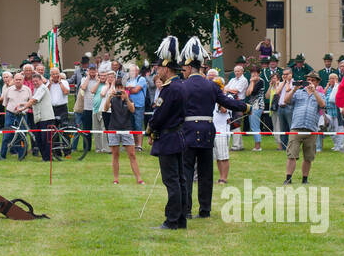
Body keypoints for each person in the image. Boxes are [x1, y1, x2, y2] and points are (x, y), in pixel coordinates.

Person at [179, 38, 246, 219]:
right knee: (206, 173)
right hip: (208, 132)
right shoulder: (212, 85)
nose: (183, 72)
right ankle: (205, 210)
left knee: (186, 172)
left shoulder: (183, 86)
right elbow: (227, 102)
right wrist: (245, 107)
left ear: (189, 68)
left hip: (188, 132)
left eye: (184, 69)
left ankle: (186, 210)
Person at [147, 38, 191, 230]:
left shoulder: (169, 89)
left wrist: (150, 130)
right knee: (180, 180)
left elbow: (159, 116)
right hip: (178, 136)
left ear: (166, 68)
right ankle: (180, 219)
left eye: (159, 68)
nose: (157, 71)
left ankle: (172, 219)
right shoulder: (181, 85)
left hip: (168, 138)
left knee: (172, 181)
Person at [281, 71, 325, 185]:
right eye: (308, 79)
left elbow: (322, 105)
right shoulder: (298, 92)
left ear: (317, 82)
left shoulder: (320, 94)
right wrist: (294, 88)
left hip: (311, 129)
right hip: (296, 127)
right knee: (291, 154)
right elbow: (285, 100)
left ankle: (305, 179)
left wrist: (314, 91)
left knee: (308, 157)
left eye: (313, 80)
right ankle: (288, 178)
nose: (310, 82)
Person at [101, 71, 142, 183]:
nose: (119, 90)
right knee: (115, 155)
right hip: (114, 128)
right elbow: (105, 109)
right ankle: (116, 179)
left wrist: (127, 98)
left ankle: (139, 179)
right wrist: (109, 97)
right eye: (117, 87)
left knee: (132, 155)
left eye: (121, 87)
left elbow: (132, 110)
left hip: (126, 129)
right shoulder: (113, 98)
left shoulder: (130, 99)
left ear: (124, 88)